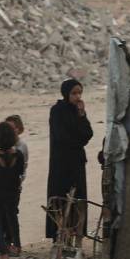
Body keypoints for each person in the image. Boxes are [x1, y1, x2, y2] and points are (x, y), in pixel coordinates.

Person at [45, 79, 94, 244]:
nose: (77, 96)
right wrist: (78, 142)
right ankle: (60, 236)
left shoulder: (78, 112)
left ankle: (76, 236)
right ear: (66, 93)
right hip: (61, 162)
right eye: (74, 93)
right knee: (59, 199)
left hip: (77, 162)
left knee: (78, 200)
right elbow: (60, 136)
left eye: (79, 93)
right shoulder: (57, 111)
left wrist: (82, 115)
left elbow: (88, 134)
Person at [0, 121, 25, 259]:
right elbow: (20, 171)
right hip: (12, 191)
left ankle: (2, 252)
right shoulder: (19, 155)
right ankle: (17, 246)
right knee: (12, 218)